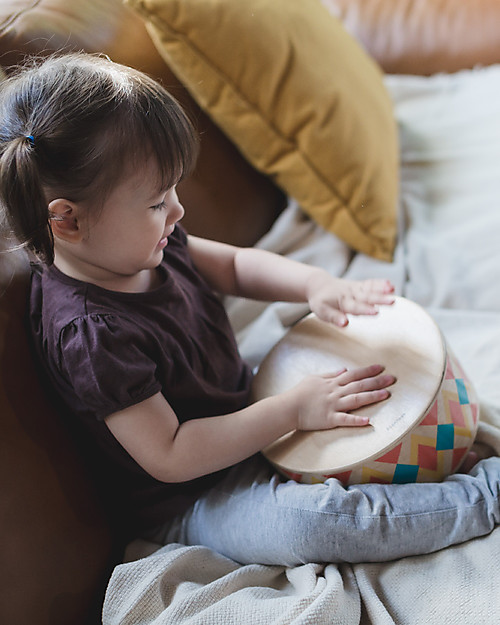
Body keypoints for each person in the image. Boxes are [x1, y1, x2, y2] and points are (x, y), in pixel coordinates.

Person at [0, 52, 498, 566]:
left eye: (173, 190)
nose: (177, 210)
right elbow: (171, 454)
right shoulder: (90, 335)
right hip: (194, 495)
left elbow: (235, 267)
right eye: (155, 202)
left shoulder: (136, 242)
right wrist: (291, 410)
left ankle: (449, 454)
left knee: (370, 376)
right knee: (318, 523)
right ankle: (483, 498)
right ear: (67, 222)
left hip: (245, 404)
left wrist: (315, 285)